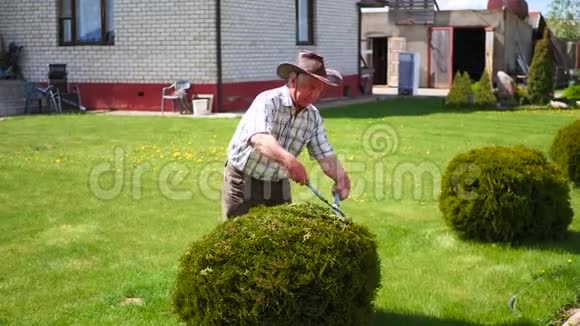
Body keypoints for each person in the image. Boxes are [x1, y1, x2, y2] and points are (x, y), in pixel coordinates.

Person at [222, 50, 351, 219]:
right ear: (292, 81)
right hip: (242, 181)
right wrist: (289, 162)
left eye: (319, 90)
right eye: (310, 87)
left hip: (278, 184)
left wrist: (341, 178)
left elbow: (325, 154)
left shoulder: (313, 117)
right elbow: (259, 138)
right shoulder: (268, 101)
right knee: (237, 238)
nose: (314, 95)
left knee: (281, 239)